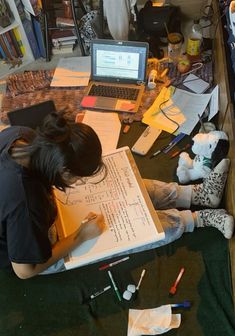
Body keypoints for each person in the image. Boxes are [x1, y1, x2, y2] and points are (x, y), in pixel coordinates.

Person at [0, 112, 233, 279]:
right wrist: (80, 236)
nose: (79, 182)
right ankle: (196, 219)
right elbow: (24, 270)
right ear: (64, 170)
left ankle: (199, 194)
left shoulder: (22, 136)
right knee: (119, 228)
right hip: (28, 252)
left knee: (127, 188)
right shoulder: (25, 203)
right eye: (78, 177)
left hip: (34, 207)